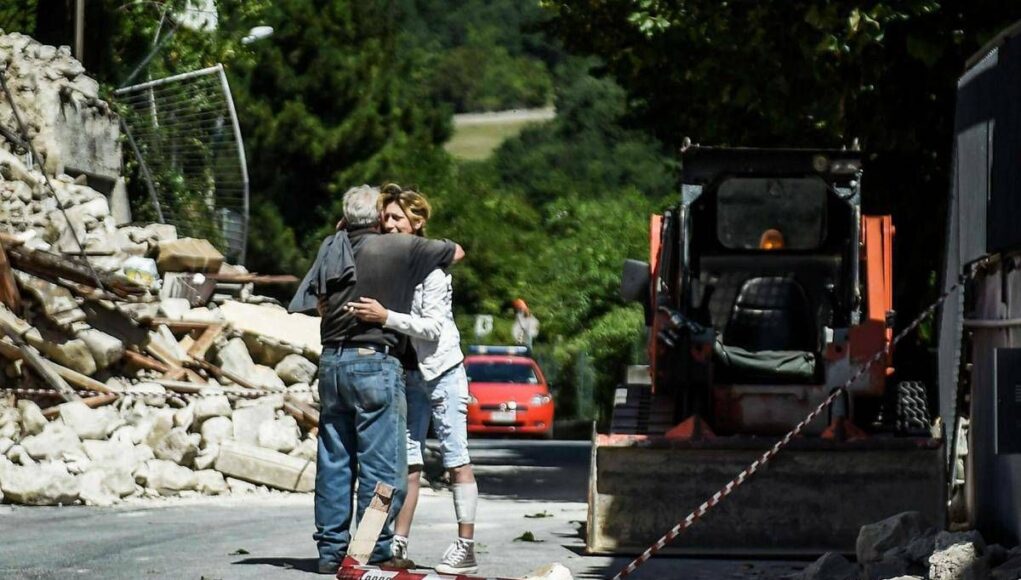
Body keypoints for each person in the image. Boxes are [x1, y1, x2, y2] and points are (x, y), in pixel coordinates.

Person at [312, 184, 465, 573]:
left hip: (331, 363)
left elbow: (315, 301)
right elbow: (457, 251)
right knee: (383, 469)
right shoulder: (398, 247)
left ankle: (331, 553)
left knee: (334, 462)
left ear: (346, 219)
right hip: (374, 364)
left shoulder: (332, 246)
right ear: (378, 218)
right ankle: (371, 551)